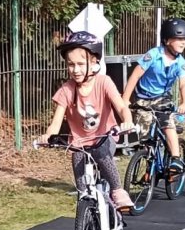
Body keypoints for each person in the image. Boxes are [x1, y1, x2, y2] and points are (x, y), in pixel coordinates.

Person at [36, 30, 135, 211]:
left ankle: (117, 190)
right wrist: (48, 136)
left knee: (101, 153)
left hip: (104, 137)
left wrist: (127, 121)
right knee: (78, 162)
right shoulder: (67, 90)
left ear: (94, 61)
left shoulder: (104, 82)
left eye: (81, 64)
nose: (75, 70)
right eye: (71, 64)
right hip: (79, 143)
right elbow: (56, 123)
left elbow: (121, 107)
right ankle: (85, 205)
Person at [123, 17, 185, 173]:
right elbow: (135, 76)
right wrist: (125, 99)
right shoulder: (153, 55)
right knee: (145, 138)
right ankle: (150, 170)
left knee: (167, 124)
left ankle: (175, 158)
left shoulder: (181, 62)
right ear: (167, 40)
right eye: (179, 39)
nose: (183, 42)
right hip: (143, 98)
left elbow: (184, 84)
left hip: (162, 98)